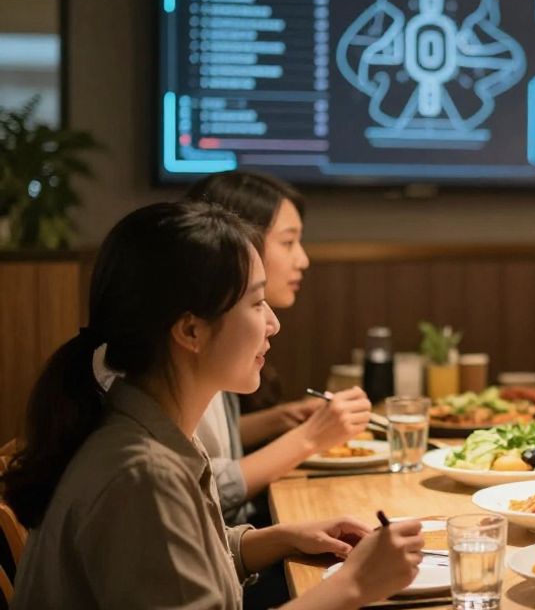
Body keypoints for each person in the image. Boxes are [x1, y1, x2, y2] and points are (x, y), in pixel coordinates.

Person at [2, 201, 422, 608]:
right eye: (257, 303)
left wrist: (281, 536)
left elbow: (185, 562)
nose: (273, 323)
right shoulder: (141, 474)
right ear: (190, 330)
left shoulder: (152, 426)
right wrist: (354, 585)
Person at [185, 171, 371, 527]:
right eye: (288, 242)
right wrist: (311, 436)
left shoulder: (213, 341)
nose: (303, 259)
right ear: (238, 242)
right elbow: (202, 490)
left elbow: (208, 445)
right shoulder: (191, 349)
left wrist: (282, 418)